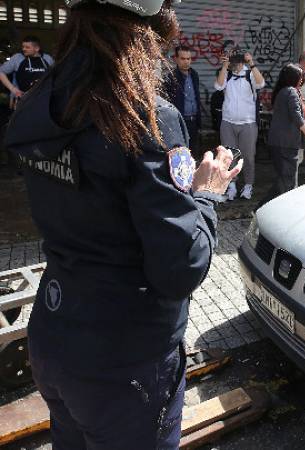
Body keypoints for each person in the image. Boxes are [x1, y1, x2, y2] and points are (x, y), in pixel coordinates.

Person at [3, 0, 242, 446]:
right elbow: (181, 268)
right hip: (125, 362)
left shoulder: (39, 102)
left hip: (53, 335)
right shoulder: (144, 117)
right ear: (144, 33)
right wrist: (206, 196)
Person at [215, 50, 264, 200]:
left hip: (248, 123)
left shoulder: (250, 74)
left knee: (248, 156)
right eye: (233, 60)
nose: (236, 63)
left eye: (238, 60)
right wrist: (224, 66)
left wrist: (252, 63)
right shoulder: (227, 74)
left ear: (243, 60)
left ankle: (248, 185)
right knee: (229, 157)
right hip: (228, 122)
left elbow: (261, 83)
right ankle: (231, 186)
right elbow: (218, 86)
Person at [264, 64, 305, 200]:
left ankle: (265, 207)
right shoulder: (291, 92)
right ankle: (265, 207)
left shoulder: (283, 91)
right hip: (286, 144)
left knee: (284, 180)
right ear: (292, 78)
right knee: (287, 182)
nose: (301, 80)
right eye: (299, 77)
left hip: (280, 143)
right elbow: (298, 119)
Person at [163, 45, 202, 154]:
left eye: (188, 59)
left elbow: (196, 98)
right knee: (180, 153)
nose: (186, 62)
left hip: (193, 121)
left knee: (194, 152)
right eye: (183, 58)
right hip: (179, 121)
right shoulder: (170, 77)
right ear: (176, 59)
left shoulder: (194, 75)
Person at [0, 36, 54, 109]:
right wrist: (13, 89)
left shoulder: (47, 58)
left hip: (43, 99)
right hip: (22, 99)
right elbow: (1, 72)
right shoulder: (17, 58)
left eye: (27, 47)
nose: (24, 49)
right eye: (23, 47)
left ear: (37, 48)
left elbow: (53, 75)